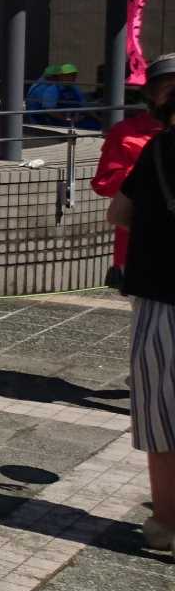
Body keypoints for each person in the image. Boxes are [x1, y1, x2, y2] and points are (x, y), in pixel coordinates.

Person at [105, 52, 175, 553]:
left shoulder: (160, 148)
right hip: (152, 281)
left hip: (162, 289)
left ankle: (167, 522)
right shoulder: (130, 134)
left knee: (161, 417)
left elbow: (120, 209)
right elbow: (109, 184)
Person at [95, 57, 175, 289]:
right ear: (151, 95)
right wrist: (144, 179)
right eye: (168, 88)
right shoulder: (126, 132)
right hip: (140, 246)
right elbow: (104, 181)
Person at [27, 62, 97, 130]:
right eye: (69, 75)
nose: (73, 78)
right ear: (61, 76)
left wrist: (97, 118)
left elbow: (84, 105)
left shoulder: (75, 88)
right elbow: (49, 110)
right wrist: (68, 119)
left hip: (75, 120)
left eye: (74, 75)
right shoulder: (49, 89)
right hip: (48, 122)